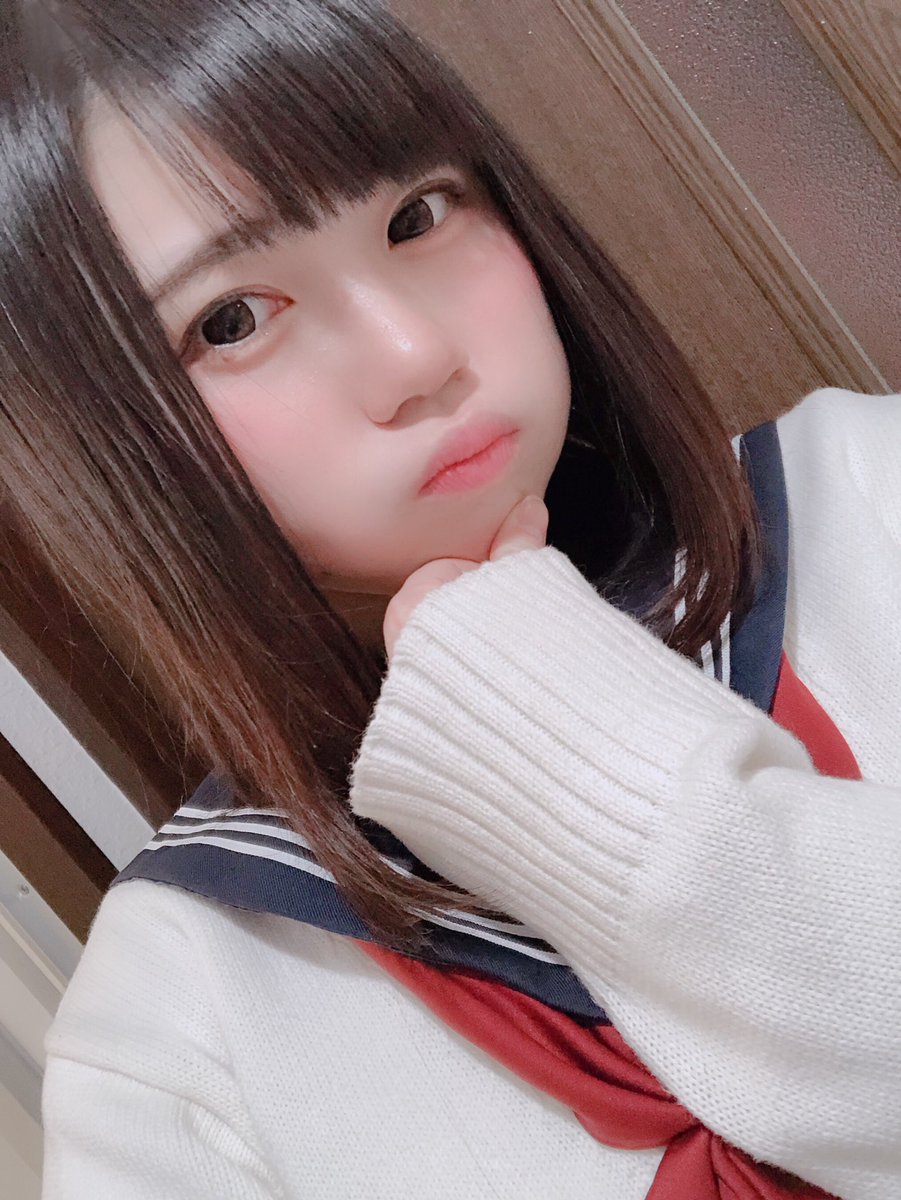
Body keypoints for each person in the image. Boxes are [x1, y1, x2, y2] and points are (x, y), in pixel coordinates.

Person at [0, 1, 897, 1197]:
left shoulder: (870, 494)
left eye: (418, 216)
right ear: (97, 445)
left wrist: (553, 722)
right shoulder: (175, 1021)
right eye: (232, 319)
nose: (415, 356)